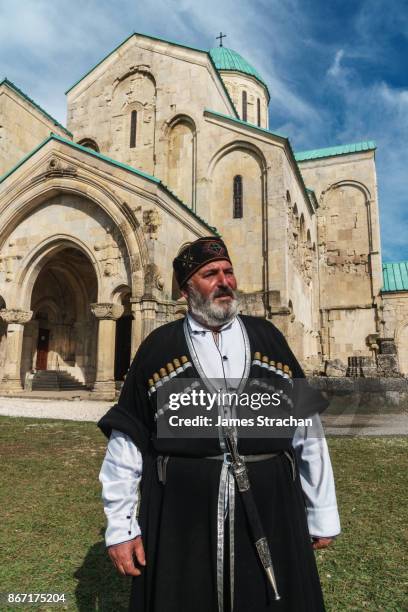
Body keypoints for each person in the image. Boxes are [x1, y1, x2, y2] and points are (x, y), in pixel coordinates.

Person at [98, 236, 340, 612]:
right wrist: (120, 527)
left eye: (228, 272)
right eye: (210, 274)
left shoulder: (269, 340)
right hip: (183, 520)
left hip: (272, 507)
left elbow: (307, 431)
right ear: (185, 290)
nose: (224, 281)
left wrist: (321, 511)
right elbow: (127, 443)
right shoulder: (158, 349)